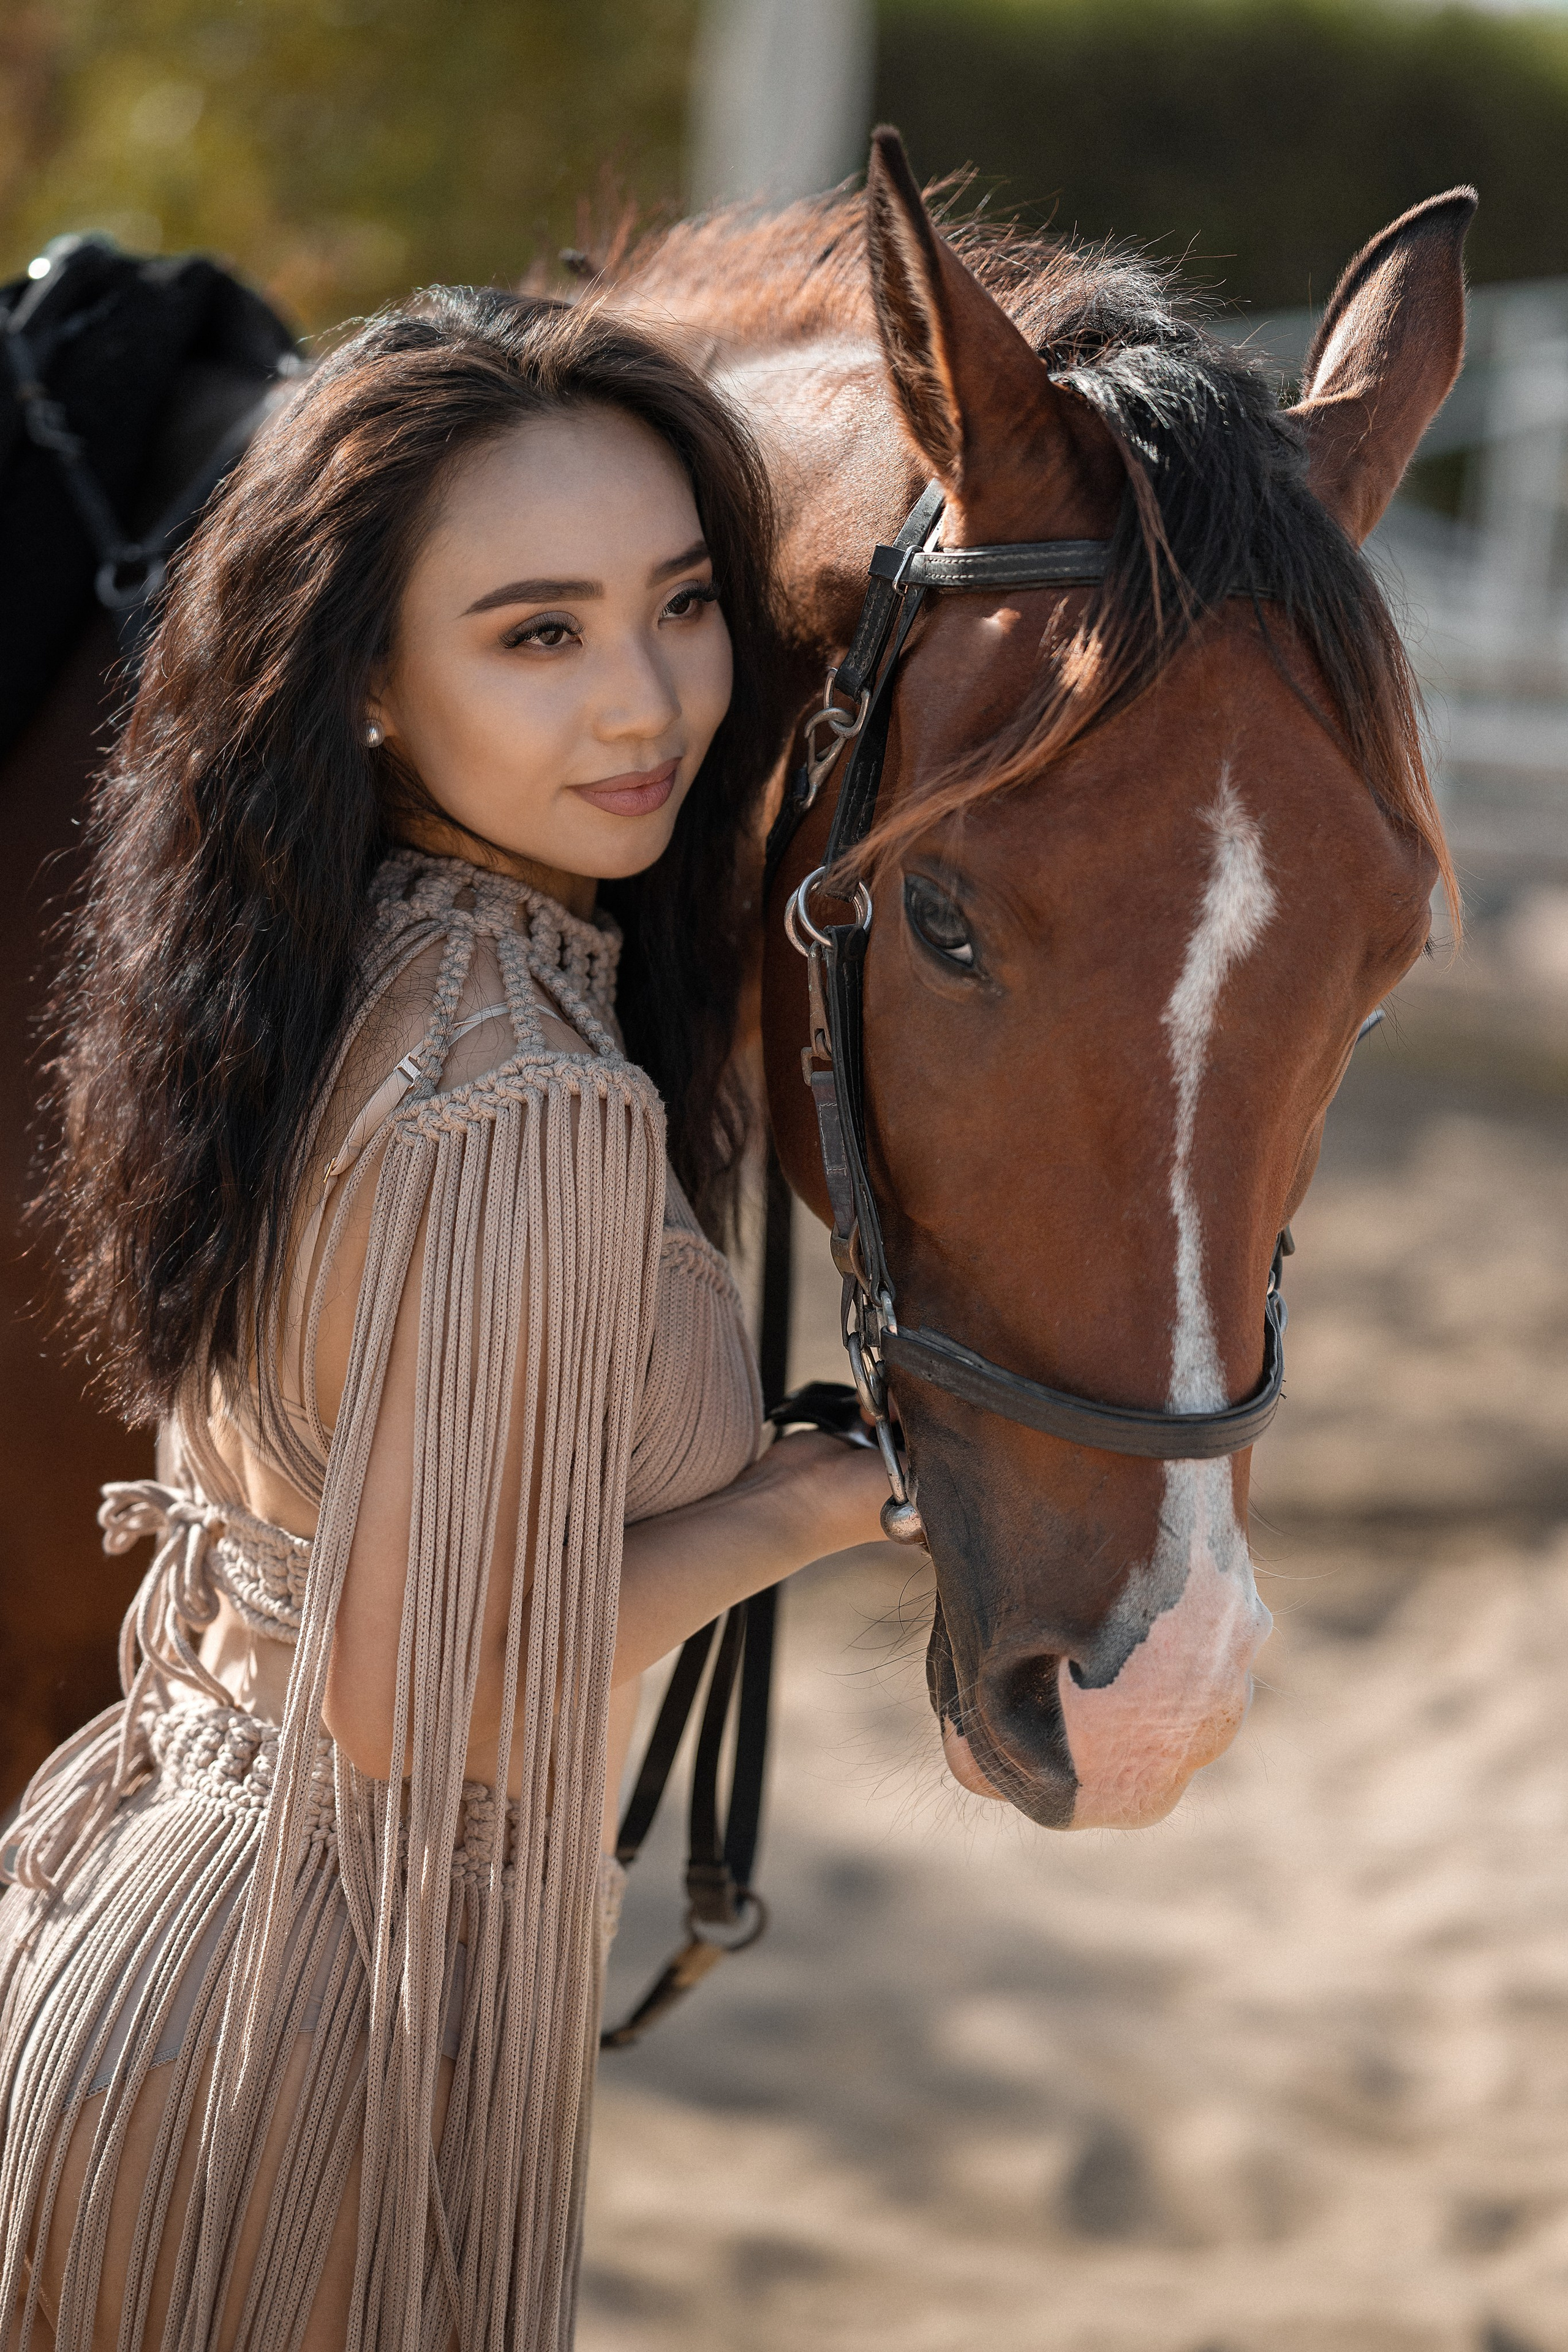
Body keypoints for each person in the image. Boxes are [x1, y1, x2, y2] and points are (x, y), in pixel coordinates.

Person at [0, 287, 888, 2350]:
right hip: (305, 2068)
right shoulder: (534, 1094)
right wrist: (815, 1504)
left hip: (142, 1960)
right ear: (369, 687)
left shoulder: (317, 978)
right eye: (537, 634)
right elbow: (410, 1705)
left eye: (683, 605)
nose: (647, 704)